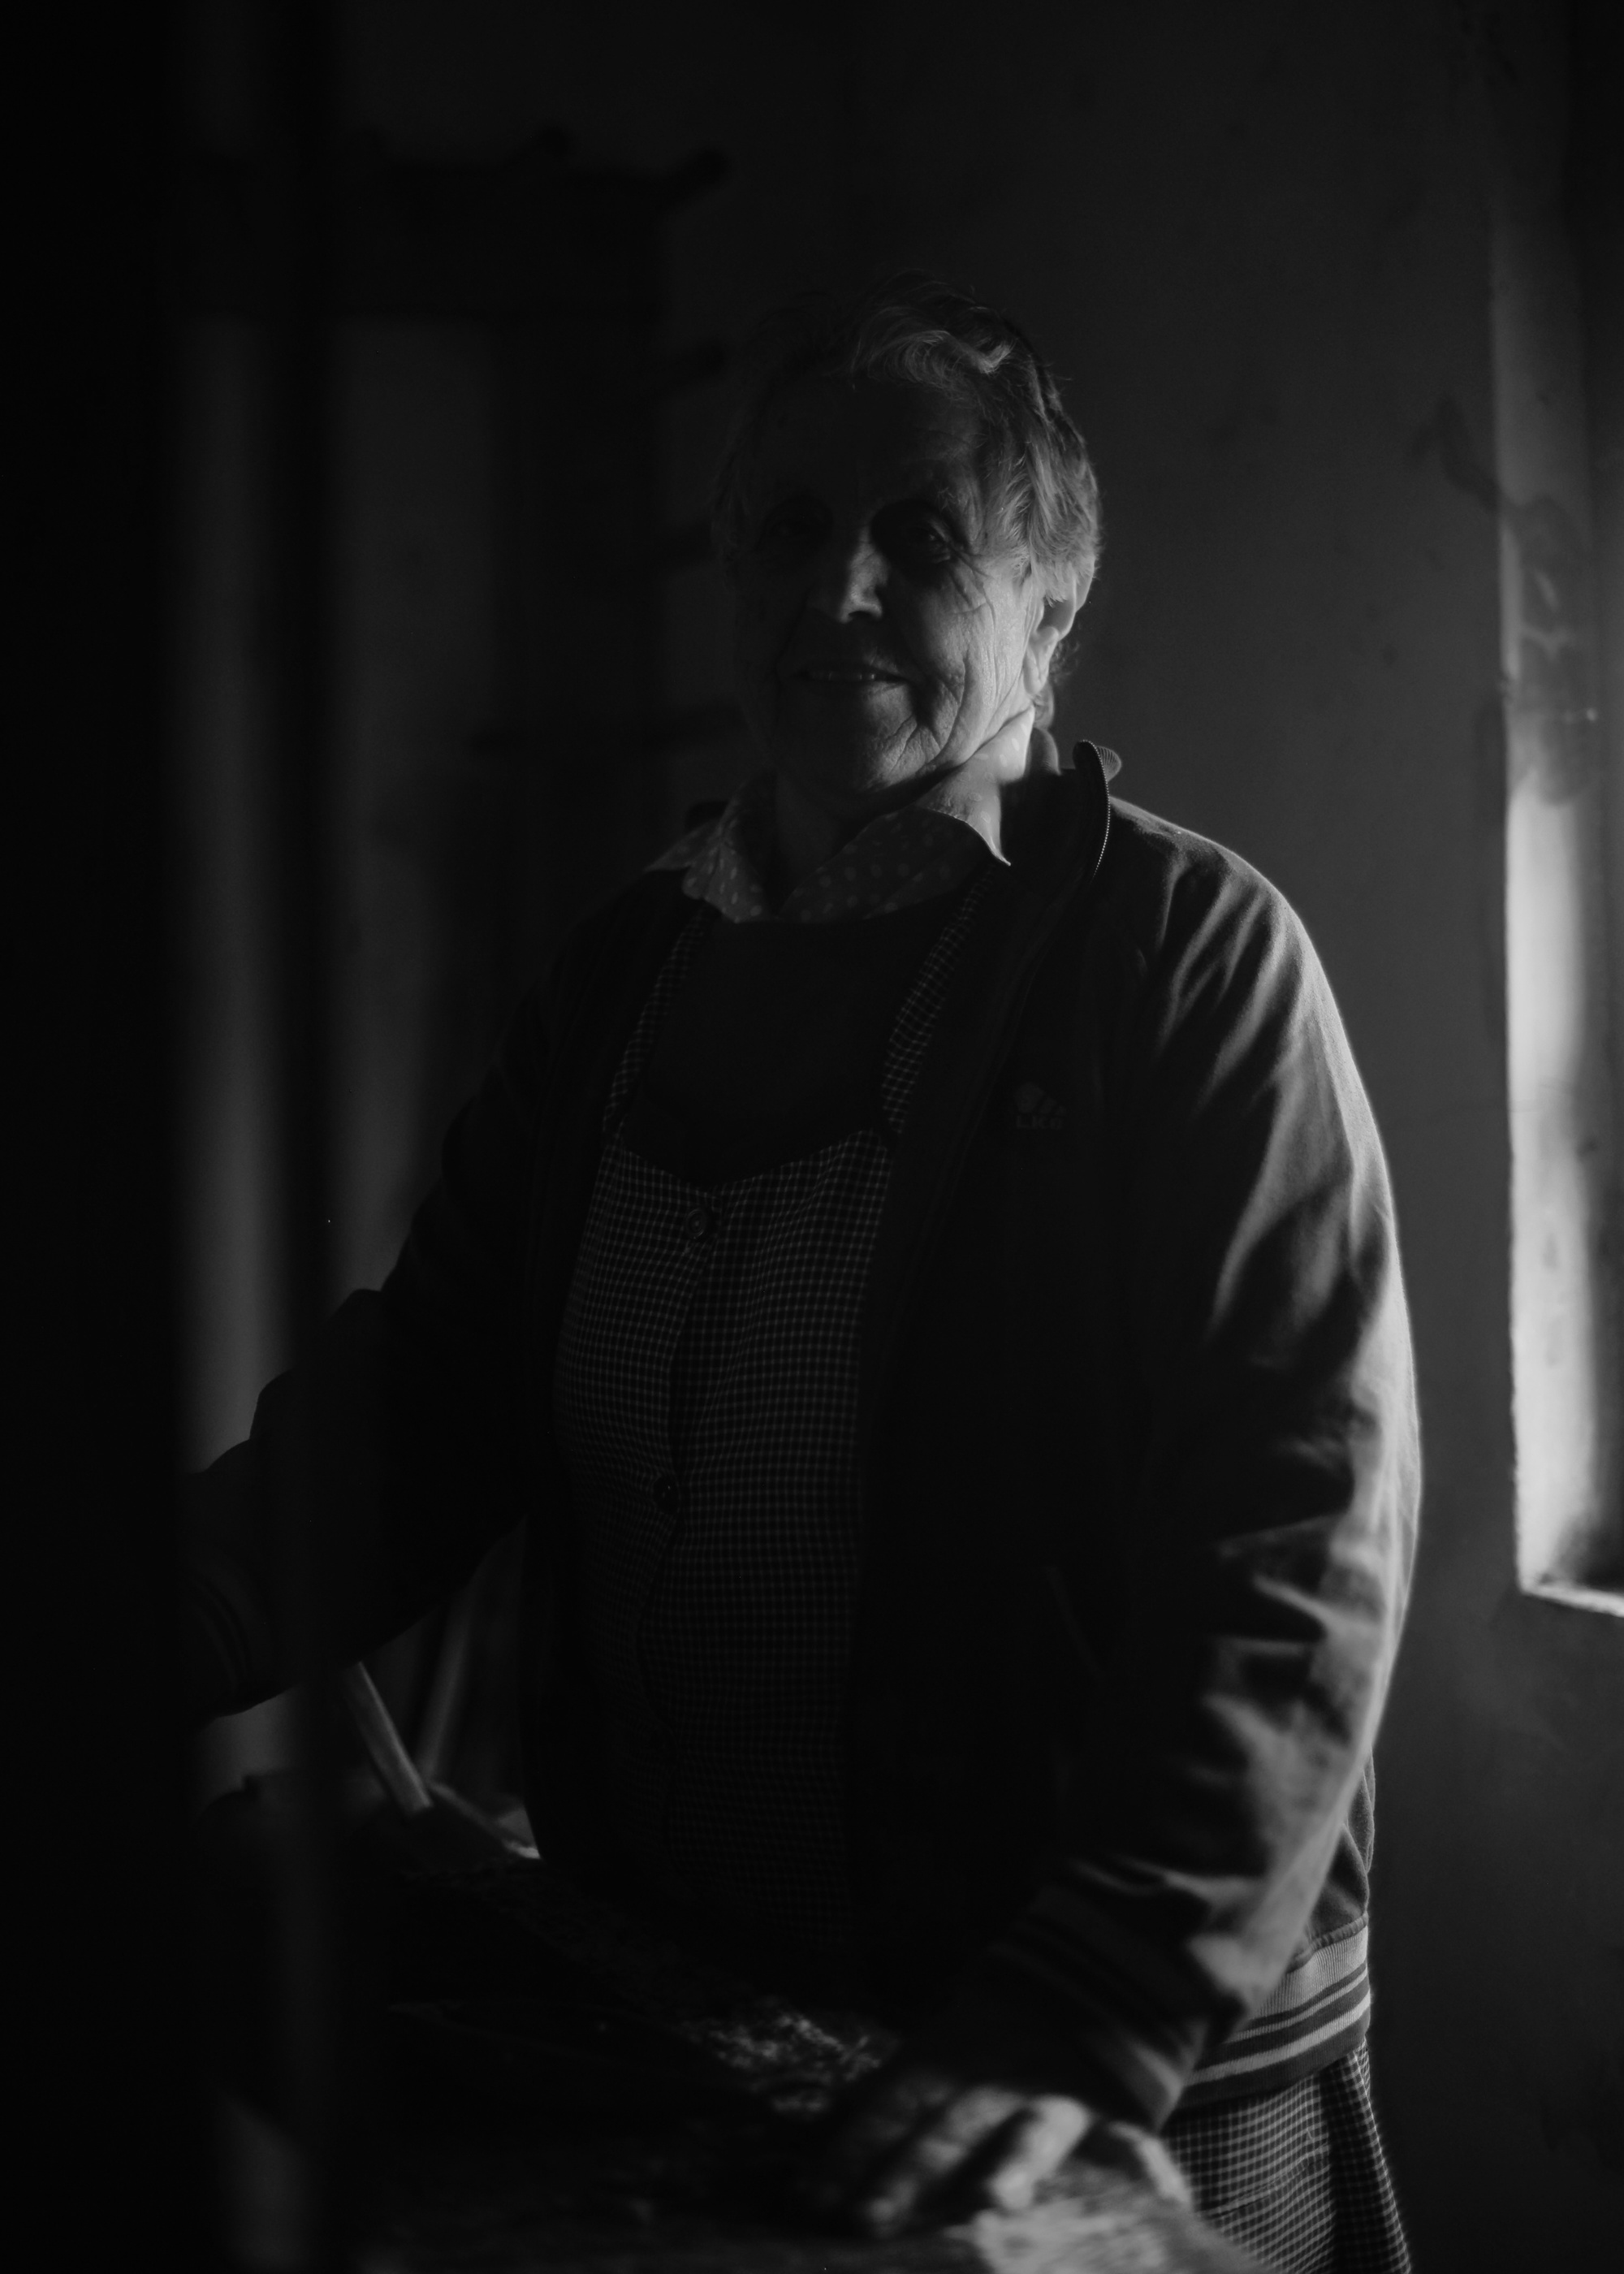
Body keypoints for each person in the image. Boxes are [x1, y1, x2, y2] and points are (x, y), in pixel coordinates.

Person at [185, 275, 1419, 2272]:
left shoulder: (1185, 959)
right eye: (782, 528)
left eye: (919, 532)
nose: (834, 587)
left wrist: (1102, 1986)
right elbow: (427, 1394)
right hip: (714, 2015)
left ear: (1051, 600)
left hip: (1109, 2059)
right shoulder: (627, 973)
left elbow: (1297, 1519)